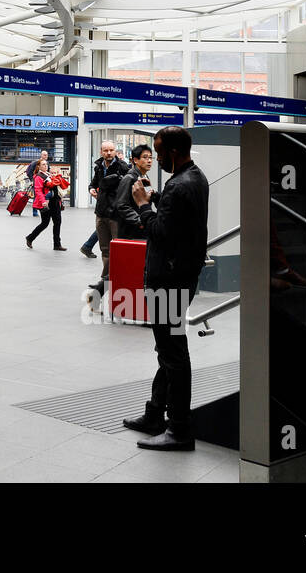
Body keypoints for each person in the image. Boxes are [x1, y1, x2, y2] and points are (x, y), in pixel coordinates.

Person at [122, 126, 209, 451]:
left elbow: (159, 231)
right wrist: (157, 196)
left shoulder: (178, 186)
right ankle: (156, 413)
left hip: (168, 279)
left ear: (172, 152)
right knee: (168, 349)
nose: (155, 158)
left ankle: (180, 428)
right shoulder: (195, 178)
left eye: (158, 152)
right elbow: (180, 217)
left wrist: (144, 204)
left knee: (173, 353)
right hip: (184, 275)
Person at [89, 143, 154, 296]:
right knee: (122, 264)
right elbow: (122, 205)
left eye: (151, 157)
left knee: (124, 264)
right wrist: (140, 220)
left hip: (138, 228)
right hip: (130, 229)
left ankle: (100, 291)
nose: (149, 161)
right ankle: (100, 292)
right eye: (145, 158)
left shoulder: (143, 177)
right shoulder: (130, 178)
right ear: (135, 160)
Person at [84, 141, 130, 276]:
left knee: (118, 248)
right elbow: (93, 184)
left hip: (116, 214)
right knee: (105, 249)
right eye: (106, 150)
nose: (109, 153)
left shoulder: (122, 167)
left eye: (111, 150)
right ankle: (106, 278)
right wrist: (91, 189)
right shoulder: (99, 167)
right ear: (101, 152)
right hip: (101, 213)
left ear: (115, 151)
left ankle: (117, 277)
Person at [25, 160, 67, 251]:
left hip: (55, 201)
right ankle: (30, 238)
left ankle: (57, 244)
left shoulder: (49, 174)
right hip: (46, 203)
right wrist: (43, 201)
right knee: (45, 223)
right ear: (39, 167)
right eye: (43, 164)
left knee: (58, 222)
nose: (46, 166)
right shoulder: (38, 177)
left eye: (46, 164)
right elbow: (38, 191)